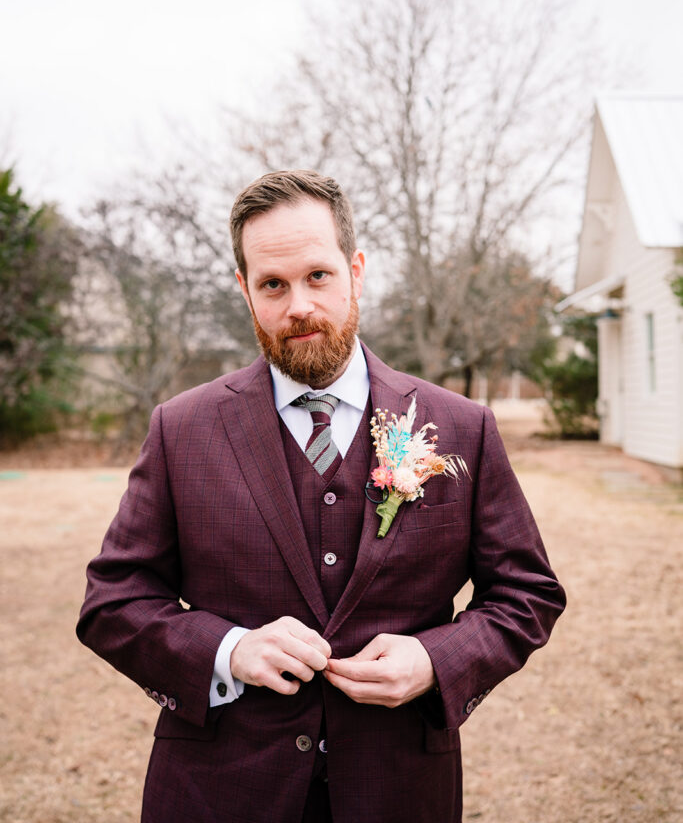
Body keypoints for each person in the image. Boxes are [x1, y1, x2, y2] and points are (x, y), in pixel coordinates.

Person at [77, 169, 565, 823]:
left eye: (317, 276)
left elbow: (527, 593)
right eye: (272, 285)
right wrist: (228, 650)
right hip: (219, 792)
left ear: (355, 270)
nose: (298, 305)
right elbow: (112, 602)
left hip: (397, 792)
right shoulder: (181, 428)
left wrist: (434, 659)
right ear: (244, 290)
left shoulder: (461, 427)